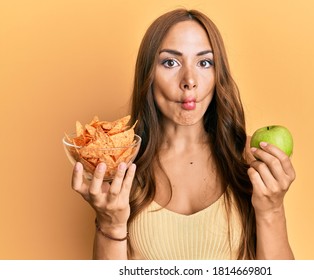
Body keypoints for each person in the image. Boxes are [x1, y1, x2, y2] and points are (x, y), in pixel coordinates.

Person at [71, 8, 296, 260]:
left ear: (217, 74)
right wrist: (110, 224)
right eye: (170, 62)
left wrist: (272, 210)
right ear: (149, 74)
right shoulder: (122, 167)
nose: (189, 80)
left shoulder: (246, 160)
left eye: (204, 62)